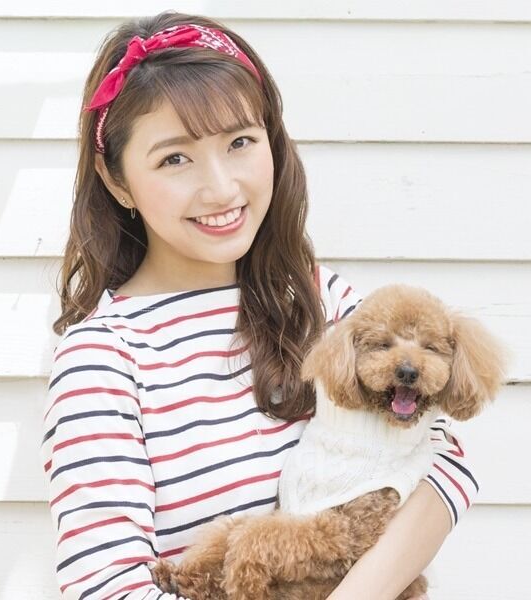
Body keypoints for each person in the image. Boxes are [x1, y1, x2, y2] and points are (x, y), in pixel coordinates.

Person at [40, 11, 478, 600]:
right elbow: (105, 587)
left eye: (240, 142)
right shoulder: (103, 358)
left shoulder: (317, 297)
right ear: (116, 180)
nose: (222, 187)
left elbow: (442, 459)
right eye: (175, 158)